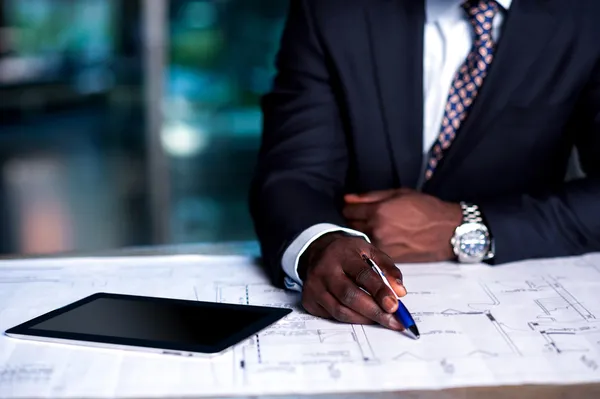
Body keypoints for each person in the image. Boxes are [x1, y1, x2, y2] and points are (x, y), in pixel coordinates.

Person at [249, 0, 600, 332]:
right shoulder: (334, 10)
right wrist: (320, 243)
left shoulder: (588, 16)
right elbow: (295, 173)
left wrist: (467, 226)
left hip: (521, 303)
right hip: (366, 303)